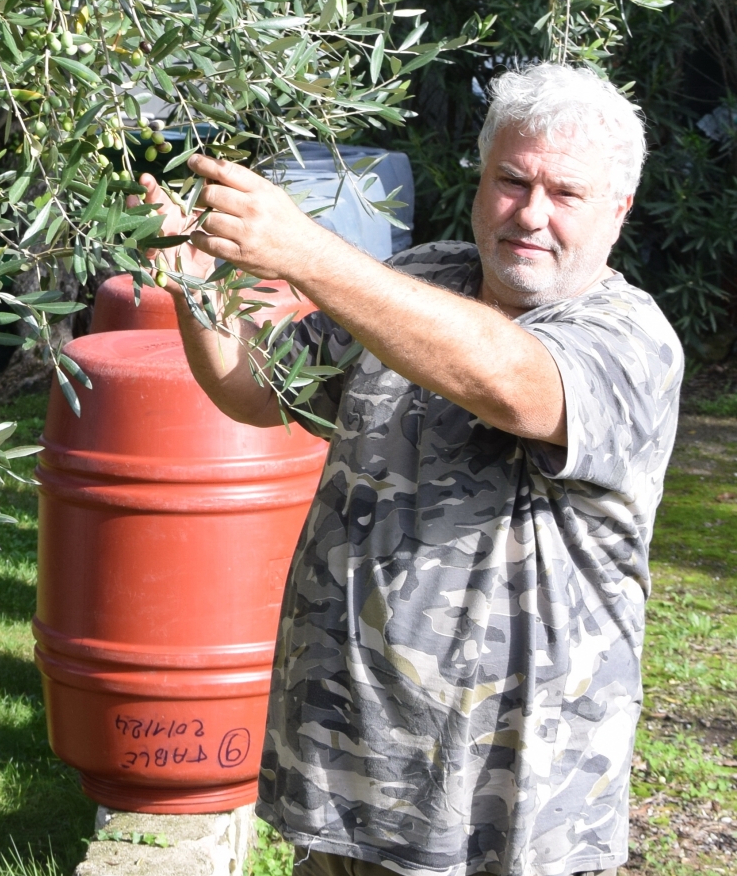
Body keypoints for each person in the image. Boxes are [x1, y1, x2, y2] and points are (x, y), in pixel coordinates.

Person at [136, 63, 683, 876]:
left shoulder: (631, 339)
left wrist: (304, 250)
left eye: (565, 193)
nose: (531, 213)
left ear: (618, 210)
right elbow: (257, 384)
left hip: (509, 819)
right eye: (512, 180)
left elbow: (512, 382)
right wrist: (195, 283)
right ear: (481, 179)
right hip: (348, 782)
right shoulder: (421, 277)